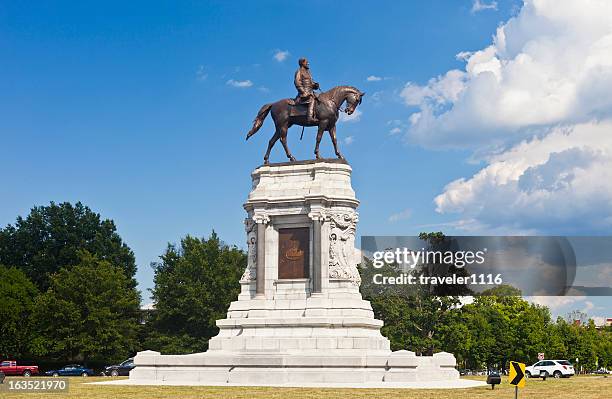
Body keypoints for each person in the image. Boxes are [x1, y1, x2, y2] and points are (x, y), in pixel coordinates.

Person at [294, 58, 320, 123]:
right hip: (304, 93)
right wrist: (303, 92)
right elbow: (297, 82)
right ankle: (310, 117)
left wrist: (315, 85)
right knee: (312, 99)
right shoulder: (299, 71)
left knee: (320, 98)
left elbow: (311, 83)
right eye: (306, 62)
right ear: (302, 63)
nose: (308, 63)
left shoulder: (308, 72)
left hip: (311, 91)